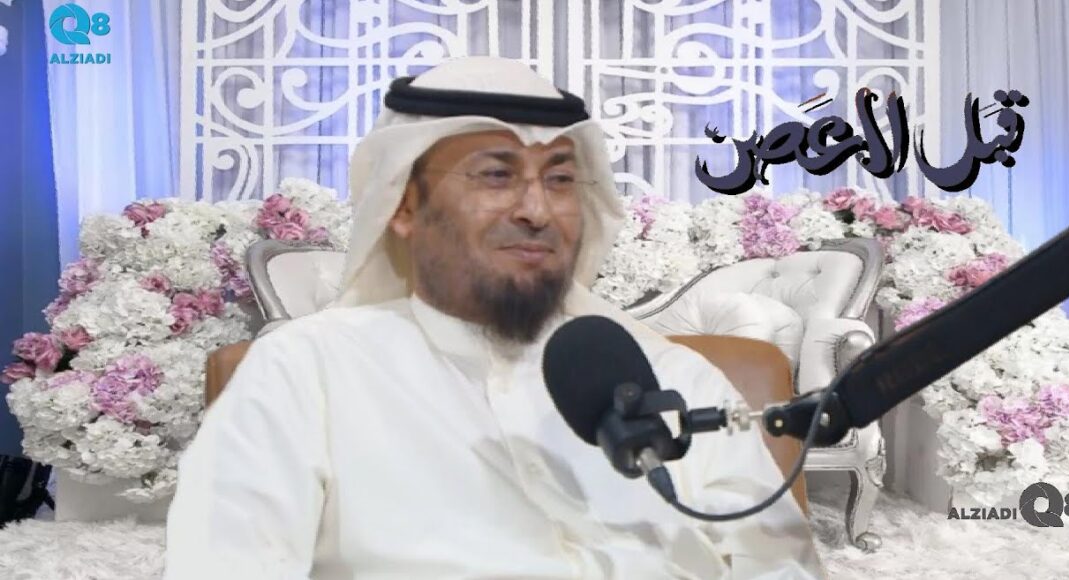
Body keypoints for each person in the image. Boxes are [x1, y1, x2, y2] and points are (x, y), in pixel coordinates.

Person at [163, 56, 825, 579]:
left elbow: (780, 566)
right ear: (404, 207)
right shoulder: (305, 373)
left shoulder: (677, 378)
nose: (537, 210)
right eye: (495, 176)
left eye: (560, 180)